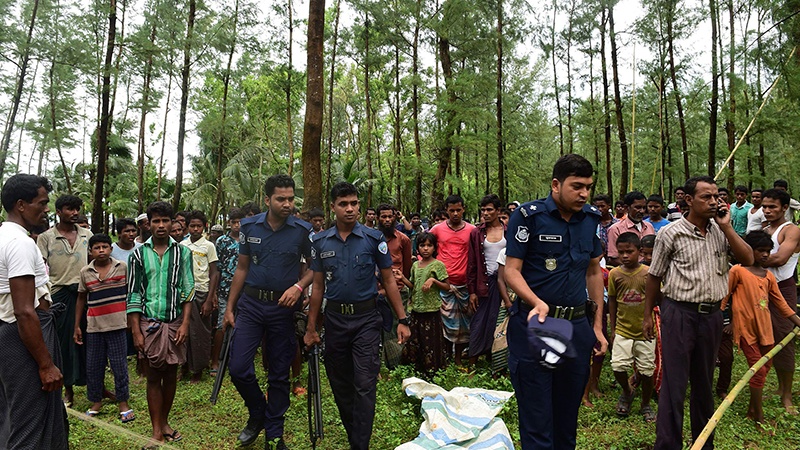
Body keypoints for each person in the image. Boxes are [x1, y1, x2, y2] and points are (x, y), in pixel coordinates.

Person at [504, 154, 607, 449]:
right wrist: (536, 301)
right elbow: (512, 270)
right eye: (577, 186)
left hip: (575, 325)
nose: (584, 193)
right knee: (537, 417)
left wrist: (597, 326)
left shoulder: (590, 219)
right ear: (555, 184)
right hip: (538, 324)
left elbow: (593, 272)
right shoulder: (528, 216)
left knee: (566, 416)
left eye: (588, 186)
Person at [644, 175, 753, 450]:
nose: (714, 202)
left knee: (704, 382)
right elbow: (654, 277)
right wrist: (648, 315)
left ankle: (704, 443)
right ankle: (668, 445)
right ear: (688, 200)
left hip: (712, 316)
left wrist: (727, 227)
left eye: (716, 196)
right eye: (706, 197)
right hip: (679, 313)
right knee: (675, 383)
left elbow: (748, 259)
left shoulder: (721, 231)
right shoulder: (670, 233)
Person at [304, 182, 410, 450]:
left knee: (364, 384)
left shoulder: (374, 240)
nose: (350, 209)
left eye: (354, 203)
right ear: (333, 207)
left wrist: (402, 320)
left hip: (366, 320)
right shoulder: (319, 242)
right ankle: (355, 434)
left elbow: (388, 280)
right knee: (340, 384)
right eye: (343, 204)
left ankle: (359, 445)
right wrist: (311, 327)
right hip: (336, 320)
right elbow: (317, 287)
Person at [222, 175, 314, 449]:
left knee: (279, 373)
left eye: (290, 199)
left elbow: (315, 268)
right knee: (238, 367)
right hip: (250, 305)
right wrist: (229, 306)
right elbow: (242, 267)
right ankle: (257, 413)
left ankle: (274, 434)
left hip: (282, 309)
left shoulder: (302, 230)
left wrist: (299, 286)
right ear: (267, 200)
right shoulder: (250, 226)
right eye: (280, 199)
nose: (287, 204)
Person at [0, 174, 68, 450]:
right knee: (30, 423)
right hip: (23, 338)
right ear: (21, 205)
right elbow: (25, 311)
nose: (47, 209)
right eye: (42, 203)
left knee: (12, 416)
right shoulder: (20, 244)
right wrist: (45, 364)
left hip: (10, 334)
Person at [127, 201, 194, 446]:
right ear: (149, 224)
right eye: (156, 221)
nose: (161, 225)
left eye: (166, 220)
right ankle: (156, 430)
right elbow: (133, 293)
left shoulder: (183, 252)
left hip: (175, 322)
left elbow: (188, 289)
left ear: (173, 223)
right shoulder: (138, 254)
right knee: (153, 376)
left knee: (172, 373)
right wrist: (136, 330)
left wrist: (185, 323)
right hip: (149, 323)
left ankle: (165, 421)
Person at [722, 230, 800, 426]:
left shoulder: (768, 276)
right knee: (757, 368)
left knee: (765, 367)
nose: (765, 255)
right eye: (760, 251)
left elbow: (781, 304)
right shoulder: (737, 271)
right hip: (746, 329)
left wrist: (797, 321)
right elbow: (725, 297)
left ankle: (751, 409)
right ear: (749, 250)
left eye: (768, 251)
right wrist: (720, 318)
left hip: (765, 329)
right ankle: (759, 416)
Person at [37, 194, 93, 407]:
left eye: (77, 209)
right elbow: (41, 268)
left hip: (85, 294)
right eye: (69, 209)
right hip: (59, 295)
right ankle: (67, 389)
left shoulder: (87, 235)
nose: (74, 213)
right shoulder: (46, 238)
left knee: (89, 341)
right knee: (63, 344)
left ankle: (94, 385)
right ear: (59, 211)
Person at [74, 234, 133, 422]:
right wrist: (77, 325)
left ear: (111, 249)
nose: (101, 251)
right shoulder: (85, 272)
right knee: (94, 366)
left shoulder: (122, 268)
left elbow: (129, 293)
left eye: (105, 247)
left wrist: (131, 319)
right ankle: (96, 401)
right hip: (95, 327)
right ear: (90, 252)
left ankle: (123, 402)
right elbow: (81, 298)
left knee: (119, 365)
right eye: (97, 248)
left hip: (117, 325)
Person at [608, 233, 656, 422]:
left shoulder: (648, 273)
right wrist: (612, 329)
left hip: (645, 331)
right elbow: (612, 301)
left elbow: (656, 299)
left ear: (640, 252)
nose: (625, 256)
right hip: (623, 329)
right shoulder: (615, 274)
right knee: (618, 366)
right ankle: (627, 392)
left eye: (629, 251)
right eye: (621, 253)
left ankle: (645, 404)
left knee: (646, 370)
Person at [760, 188, 800, 413]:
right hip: (760, 287)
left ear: (784, 208)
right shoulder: (764, 229)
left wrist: (751, 257)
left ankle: (787, 394)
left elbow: (779, 258)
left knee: (784, 339)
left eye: (772, 207)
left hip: (783, 288)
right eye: (765, 207)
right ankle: (776, 386)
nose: (767, 211)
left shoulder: (791, 230)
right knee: (766, 338)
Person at [429, 195, 476, 365]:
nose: (455, 213)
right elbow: (423, 246)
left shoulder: (472, 230)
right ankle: (446, 357)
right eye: (451, 210)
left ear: (463, 209)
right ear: (446, 211)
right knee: (445, 321)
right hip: (444, 284)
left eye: (458, 210)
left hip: (464, 285)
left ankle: (458, 359)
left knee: (464, 323)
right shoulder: (437, 230)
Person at [398, 232, 450, 375]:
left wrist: (433, 281)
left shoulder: (438, 265)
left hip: (431, 311)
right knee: (416, 340)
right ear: (418, 248)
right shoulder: (415, 265)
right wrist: (402, 278)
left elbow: (447, 286)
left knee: (431, 342)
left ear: (434, 248)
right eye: (422, 245)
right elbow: (413, 286)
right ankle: (416, 369)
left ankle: (433, 371)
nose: (425, 249)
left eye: (429, 245)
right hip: (416, 310)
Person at [467, 194, 507, 365]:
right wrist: (472, 292)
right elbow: (472, 263)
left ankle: (497, 360)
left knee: (500, 321)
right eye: (483, 210)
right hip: (484, 284)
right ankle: (473, 360)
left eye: (489, 209)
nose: (485, 213)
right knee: (480, 321)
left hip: (506, 284)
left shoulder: (509, 231)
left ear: (498, 211)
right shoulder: (477, 233)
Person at [181, 210, 219, 384]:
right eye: (192, 226)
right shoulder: (183, 245)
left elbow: (214, 272)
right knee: (185, 331)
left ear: (204, 227)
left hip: (202, 291)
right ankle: (184, 367)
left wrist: (210, 298)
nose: (195, 229)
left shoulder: (209, 246)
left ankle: (198, 370)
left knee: (201, 333)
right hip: (185, 292)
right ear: (187, 227)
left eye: (199, 226)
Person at [377, 203, 413, 368]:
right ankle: (377, 363)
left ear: (395, 217)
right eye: (383, 216)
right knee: (377, 328)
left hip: (397, 291)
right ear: (378, 218)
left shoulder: (403, 239)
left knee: (396, 328)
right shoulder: (372, 238)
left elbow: (406, 267)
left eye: (390, 216)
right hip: (375, 292)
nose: (387, 219)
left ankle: (395, 365)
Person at [211, 207, 243, 374]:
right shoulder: (222, 241)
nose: (237, 225)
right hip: (225, 288)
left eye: (240, 222)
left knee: (242, 326)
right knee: (221, 325)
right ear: (229, 223)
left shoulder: (248, 240)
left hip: (245, 290)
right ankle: (215, 361)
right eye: (234, 222)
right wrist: (215, 292)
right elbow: (217, 267)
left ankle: (235, 360)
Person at [606, 191, 655, 267]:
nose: (642, 211)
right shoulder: (615, 229)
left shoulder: (649, 227)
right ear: (626, 208)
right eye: (638, 207)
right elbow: (614, 258)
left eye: (644, 208)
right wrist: (636, 269)